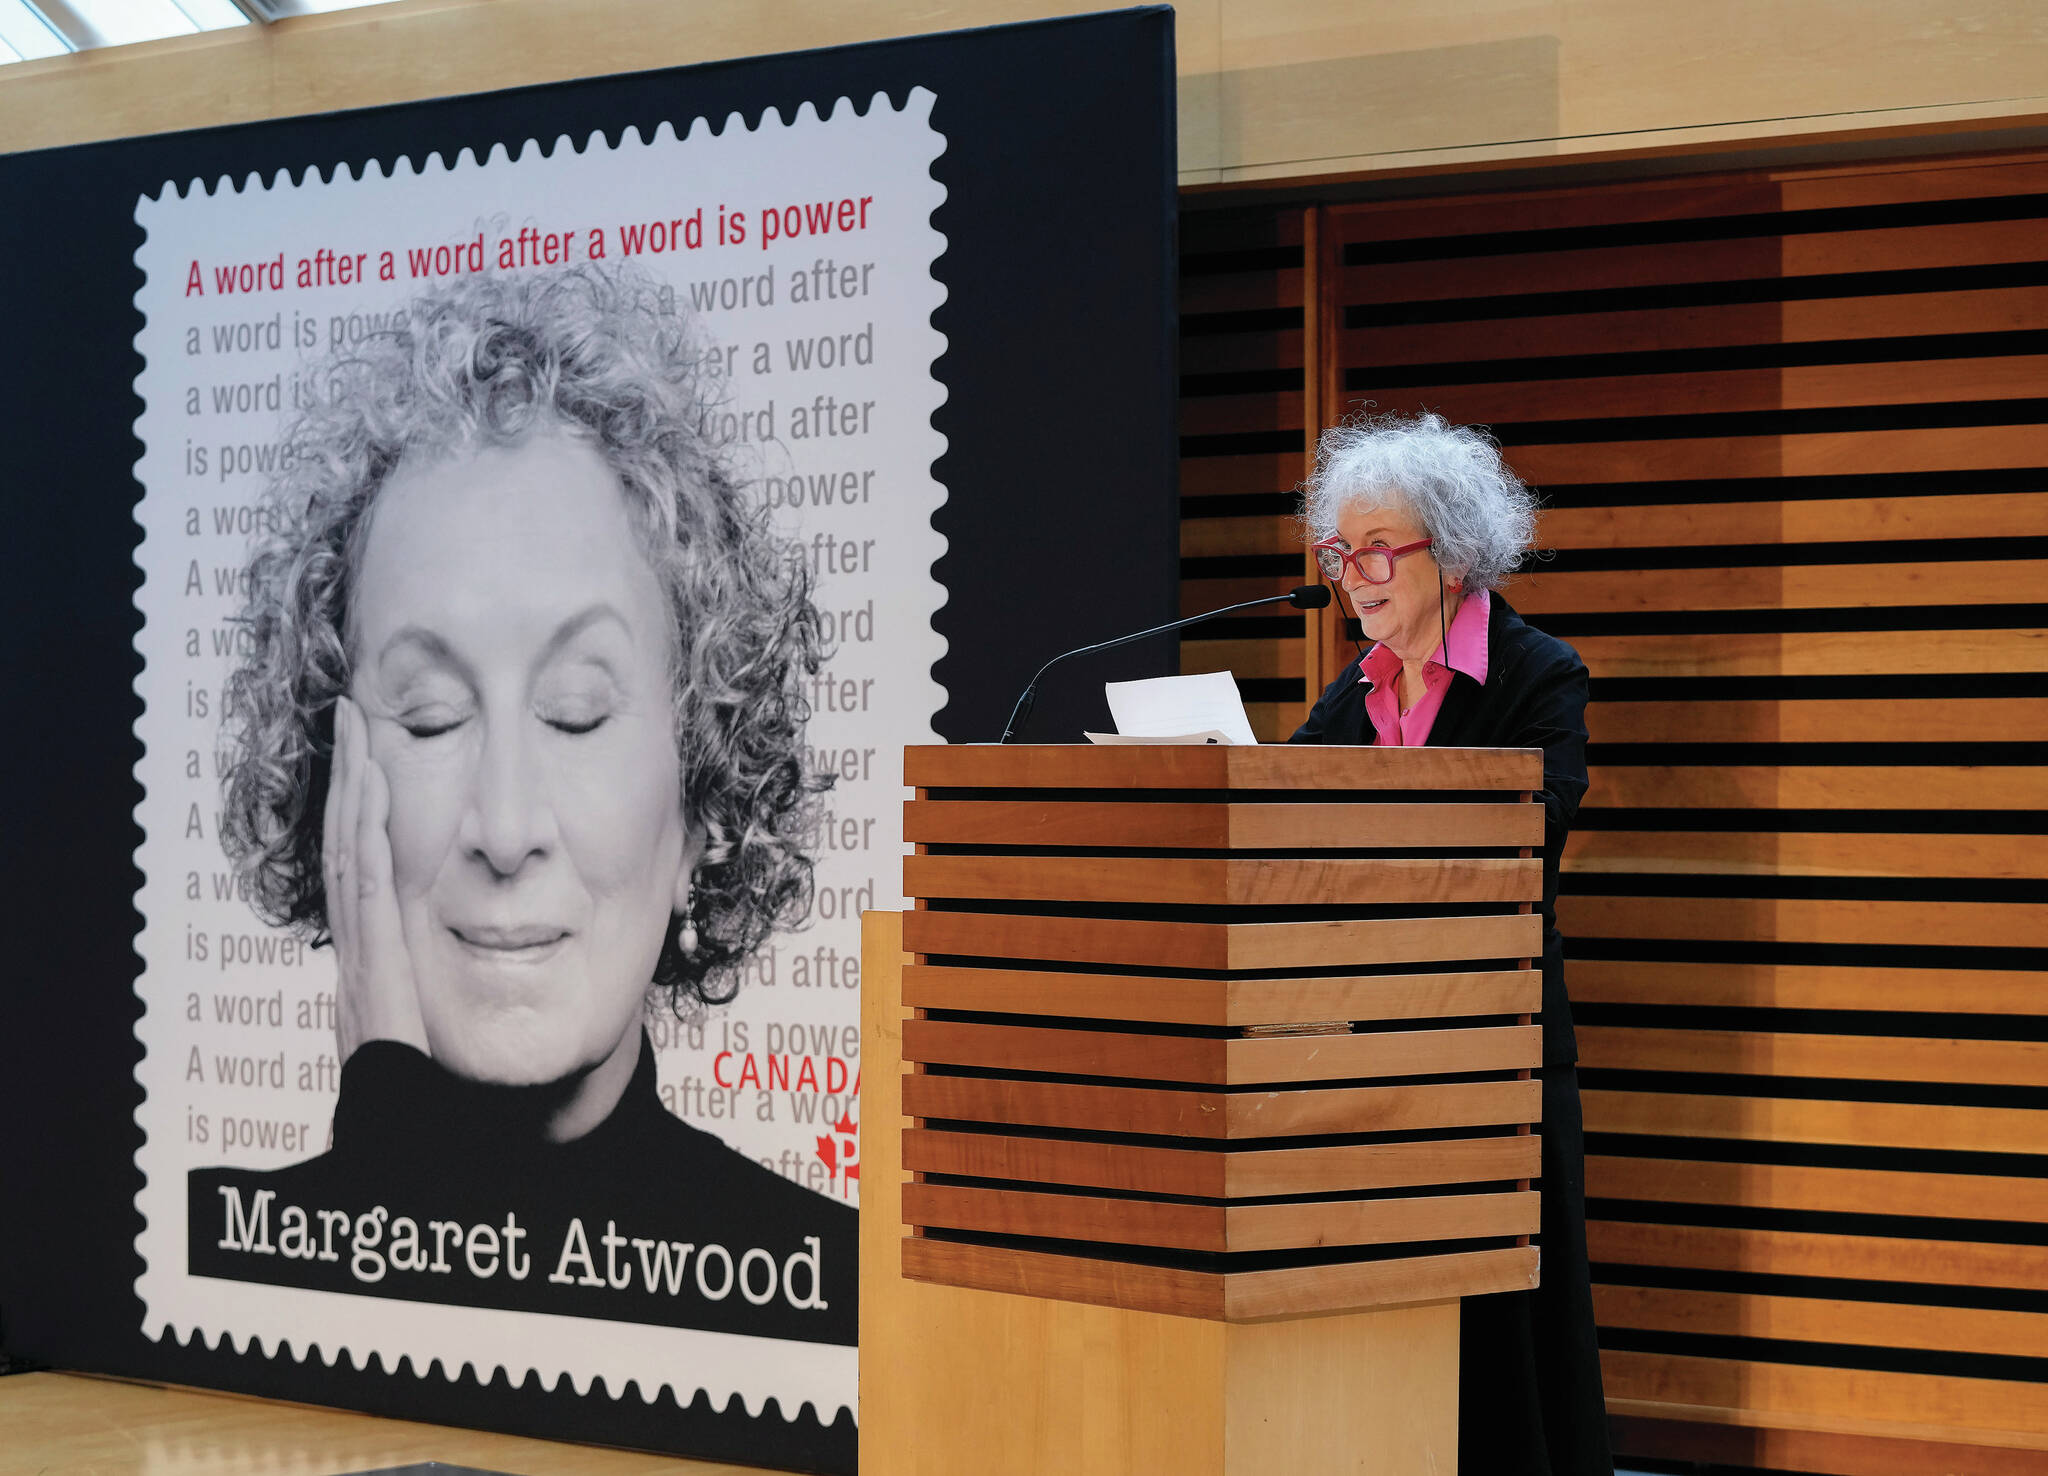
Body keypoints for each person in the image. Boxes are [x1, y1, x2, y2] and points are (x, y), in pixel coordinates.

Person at [194, 263, 854, 1346]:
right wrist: (388, 1162)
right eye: (431, 718)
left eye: (578, 713)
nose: (504, 829)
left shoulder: (838, 1299)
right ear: (328, 780)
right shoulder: (205, 1256)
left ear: (701, 795)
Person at [1293, 411, 1610, 1474]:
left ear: (1454, 549)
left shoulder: (1536, 674)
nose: (1353, 577)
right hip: (1370, 1059)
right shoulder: (1348, 698)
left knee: (1511, 1332)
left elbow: (1533, 838)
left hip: (1495, 1055)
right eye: (1339, 554)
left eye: (1377, 550)